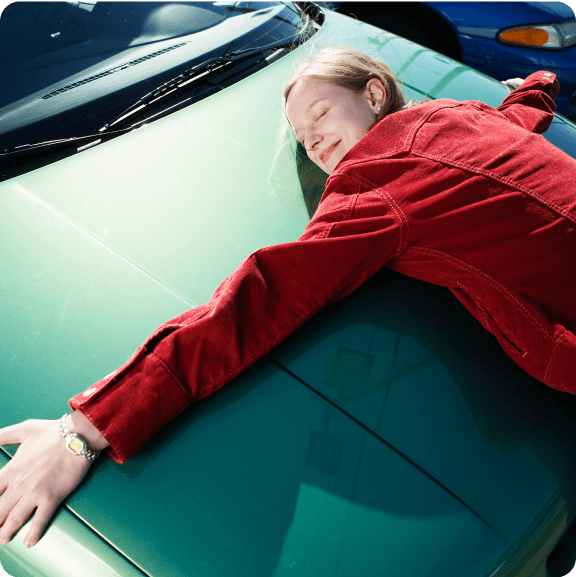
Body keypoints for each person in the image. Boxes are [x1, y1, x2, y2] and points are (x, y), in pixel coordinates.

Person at [1, 46, 575, 549]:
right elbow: (520, 114)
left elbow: (257, 300)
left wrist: (83, 431)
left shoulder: (376, 187)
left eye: (320, 114)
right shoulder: (458, 115)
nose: (314, 141)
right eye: (302, 137)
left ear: (375, 94)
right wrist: (535, 84)